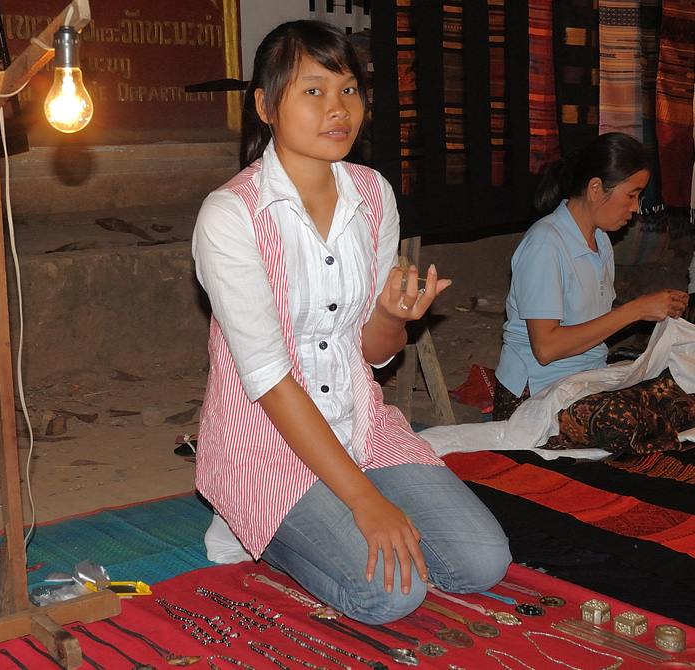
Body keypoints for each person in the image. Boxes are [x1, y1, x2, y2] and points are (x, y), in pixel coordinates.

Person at [192, 20, 510, 625]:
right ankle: (255, 519)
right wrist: (365, 501)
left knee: (481, 563)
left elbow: (371, 352)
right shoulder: (231, 216)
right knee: (392, 594)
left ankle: (332, 514)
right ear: (265, 104)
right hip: (270, 441)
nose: (337, 109)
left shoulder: (372, 195)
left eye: (348, 90)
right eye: (313, 91)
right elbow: (269, 379)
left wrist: (393, 316)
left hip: (359, 424)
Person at [493, 132, 689, 421]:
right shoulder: (545, 244)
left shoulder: (600, 240)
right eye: (631, 195)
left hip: (586, 380)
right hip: (535, 393)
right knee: (628, 419)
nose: (635, 208)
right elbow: (546, 348)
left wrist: (651, 310)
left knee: (680, 395)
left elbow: (588, 323)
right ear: (596, 188)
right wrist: (635, 310)